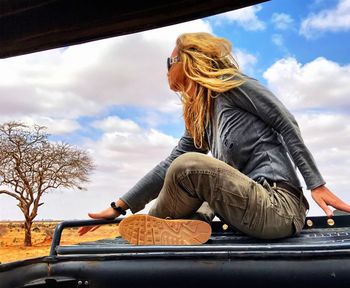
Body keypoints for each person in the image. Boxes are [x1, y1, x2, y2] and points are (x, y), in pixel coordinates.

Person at [78, 32, 350, 244]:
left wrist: (316, 183)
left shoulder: (232, 84)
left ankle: (149, 228)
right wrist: (118, 206)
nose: (166, 69)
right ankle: (188, 226)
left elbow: (285, 121)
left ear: (188, 60)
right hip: (246, 206)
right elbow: (168, 163)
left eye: (169, 61)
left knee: (189, 166)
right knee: (188, 169)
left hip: (277, 207)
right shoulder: (202, 113)